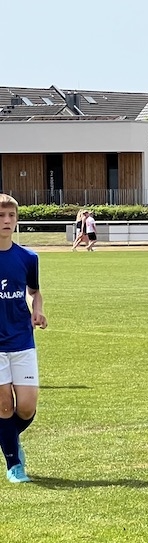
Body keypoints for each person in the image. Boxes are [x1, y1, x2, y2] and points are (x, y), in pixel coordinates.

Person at [0, 194, 46, 484]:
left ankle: (7, 437)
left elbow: (34, 292)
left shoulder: (28, 258)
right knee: (4, 406)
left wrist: (37, 310)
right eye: (1, 216)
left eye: (11, 216)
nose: (6, 221)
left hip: (22, 340)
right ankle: (14, 464)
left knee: (26, 407)